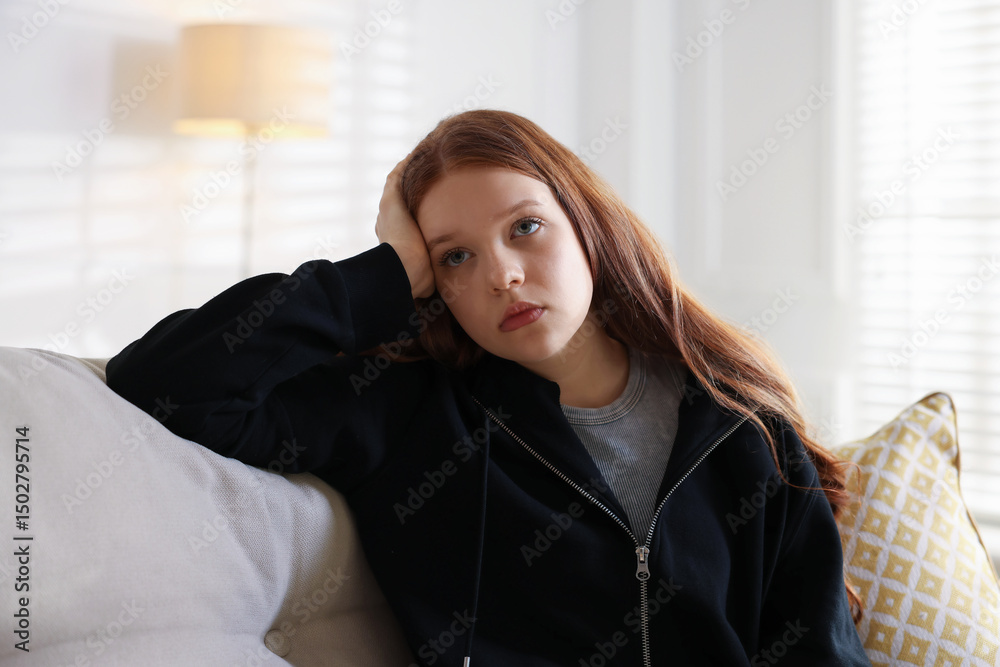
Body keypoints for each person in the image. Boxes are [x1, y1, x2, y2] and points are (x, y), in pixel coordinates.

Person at [105, 109, 871, 666]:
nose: (502, 274)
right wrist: (382, 274)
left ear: (586, 223)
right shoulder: (407, 413)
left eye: (524, 227)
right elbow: (167, 385)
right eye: (456, 257)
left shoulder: (741, 427)